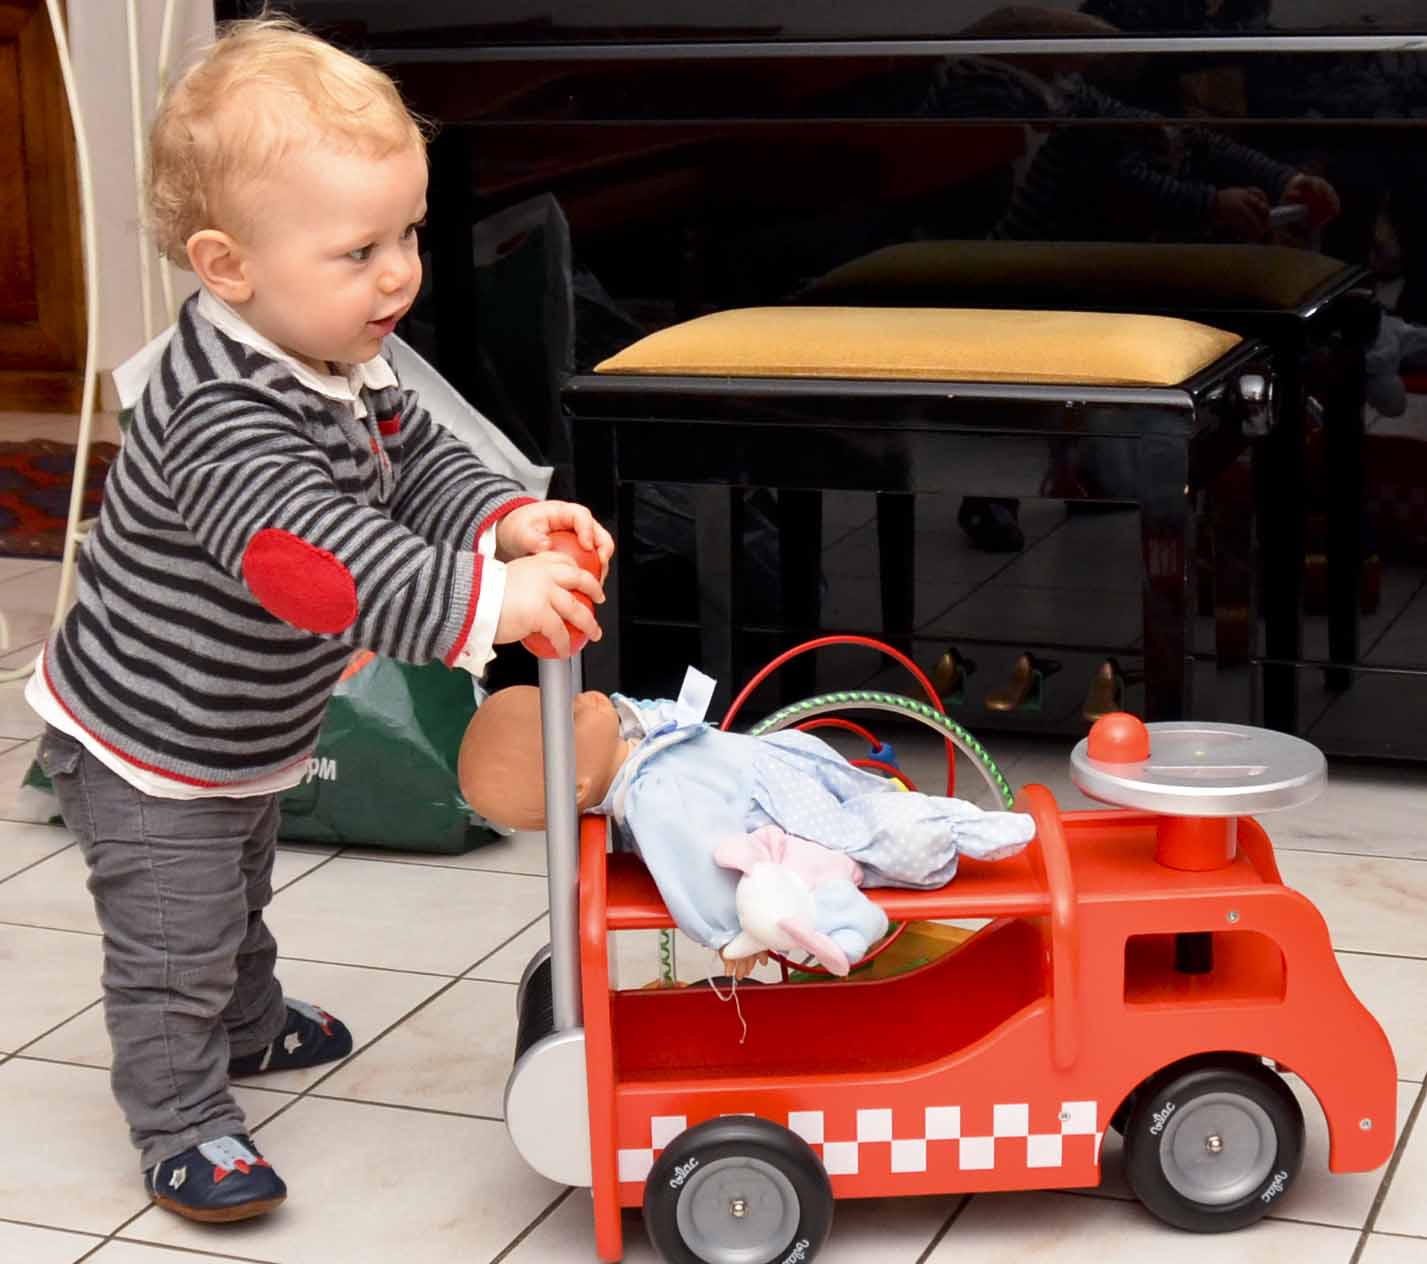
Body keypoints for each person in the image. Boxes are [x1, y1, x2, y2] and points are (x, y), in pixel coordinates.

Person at [26, 15, 613, 1225]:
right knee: (176, 935)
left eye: (405, 233)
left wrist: (503, 519)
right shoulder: (221, 415)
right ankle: (181, 1114)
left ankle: (249, 1018)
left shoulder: (337, 353)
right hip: (145, 740)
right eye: (360, 250)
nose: (399, 272)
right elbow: (320, 567)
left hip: (236, 729)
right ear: (226, 265)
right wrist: (485, 602)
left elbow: (414, 469)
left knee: (242, 883)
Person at [458, 679, 1034, 975]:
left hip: (780, 767)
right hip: (786, 824)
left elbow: (646, 713)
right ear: (579, 787)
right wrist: (734, 932)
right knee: (876, 836)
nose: (581, 699)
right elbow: (700, 868)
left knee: (863, 795)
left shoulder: (627, 735)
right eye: (566, 715)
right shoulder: (653, 802)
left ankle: (962, 824)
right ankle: (958, 833)